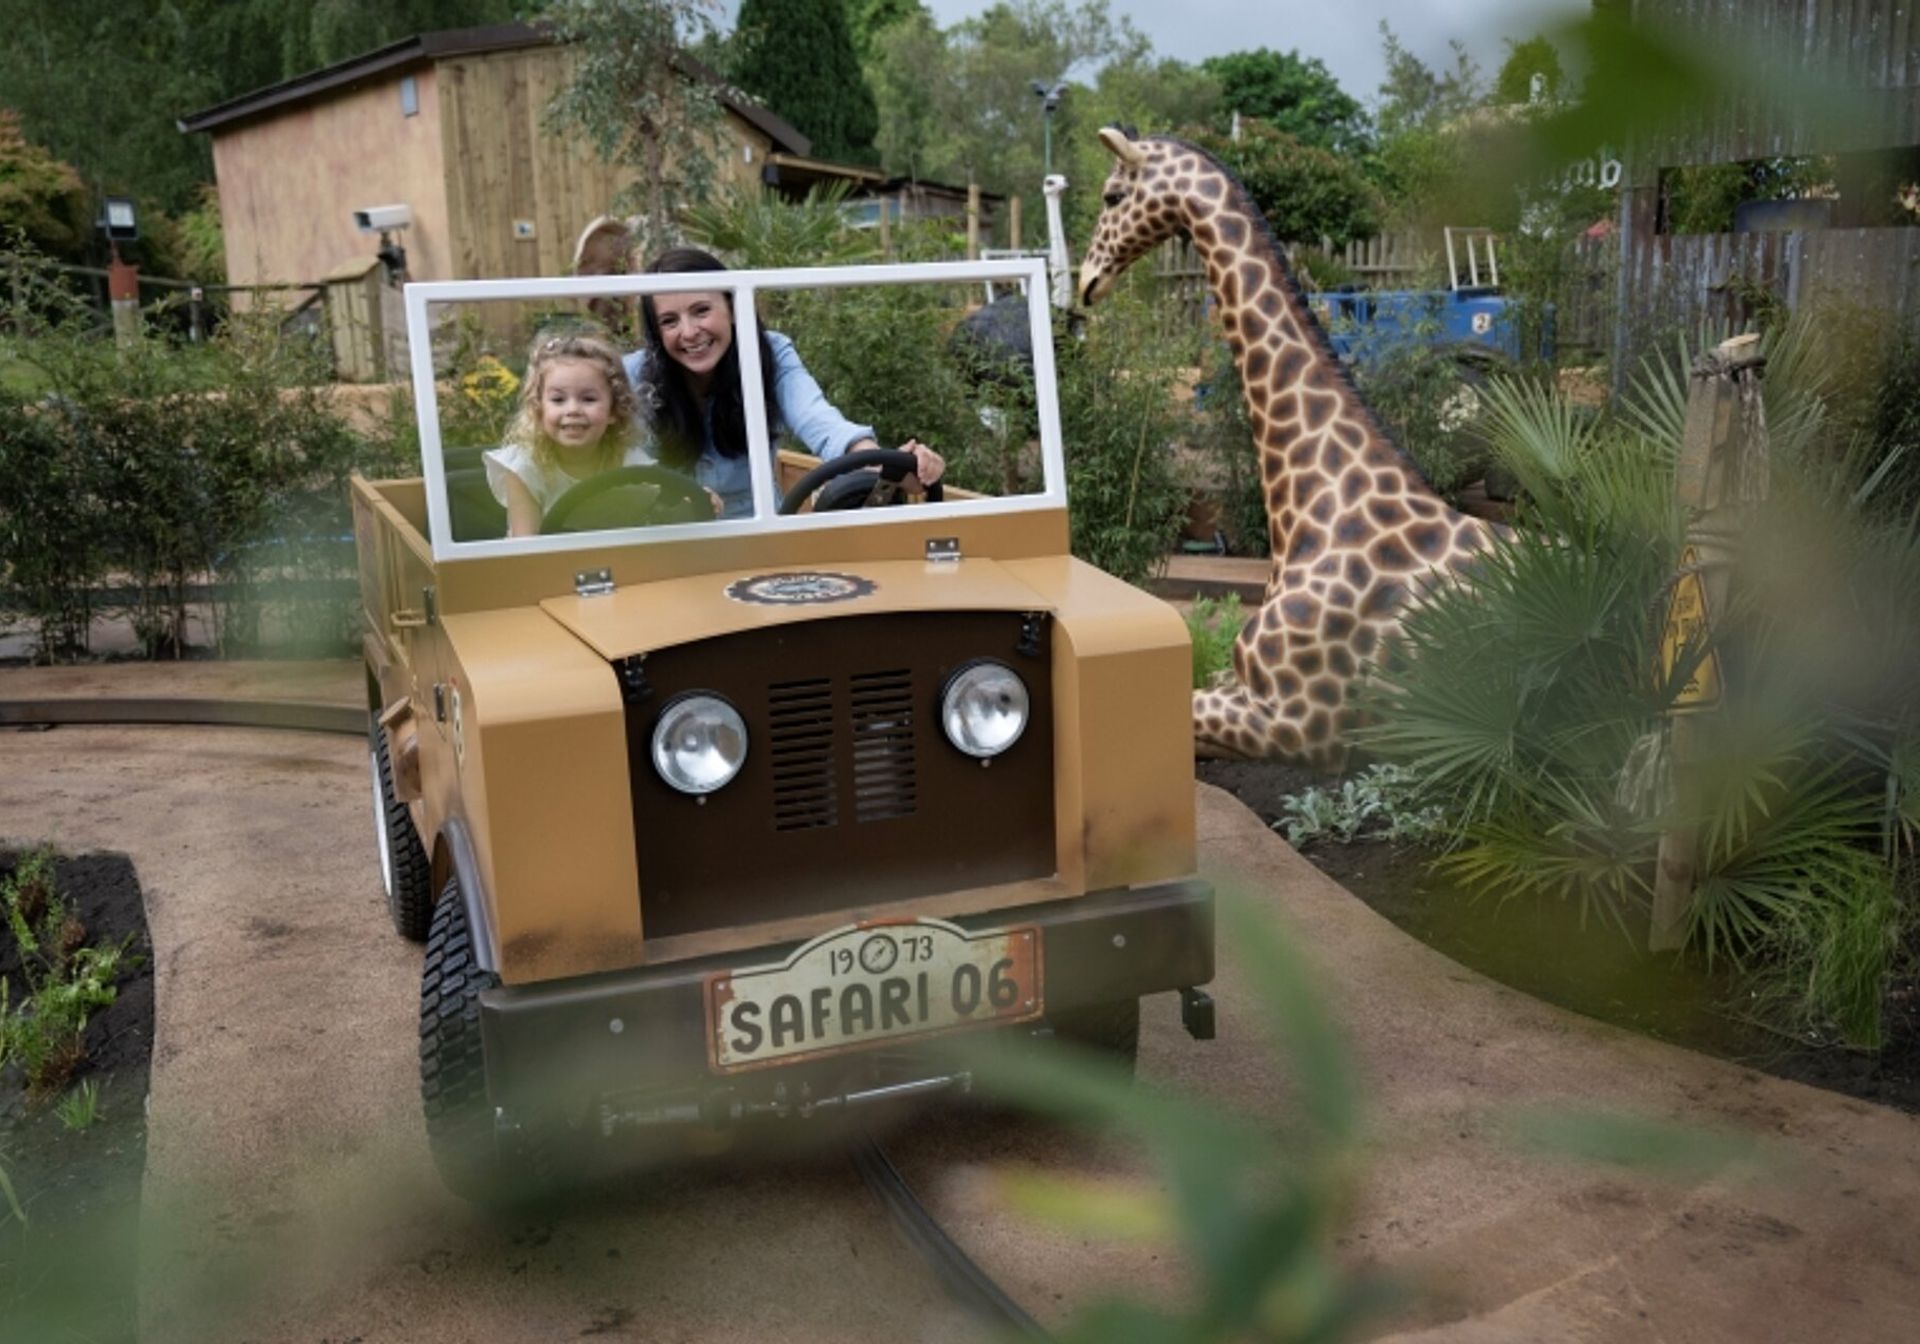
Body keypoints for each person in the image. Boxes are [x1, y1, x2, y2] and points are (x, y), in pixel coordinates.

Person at [628, 247, 945, 519]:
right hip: (670, 538)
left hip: (760, 537)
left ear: (732, 308)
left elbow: (817, 418)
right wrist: (663, 491)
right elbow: (615, 455)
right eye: (669, 321)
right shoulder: (631, 375)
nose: (689, 332)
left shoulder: (770, 353)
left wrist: (882, 464)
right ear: (656, 332)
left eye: (701, 311)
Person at [485, 329, 656, 538]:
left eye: (588, 399)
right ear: (538, 409)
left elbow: (651, 526)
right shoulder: (524, 468)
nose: (573, 410)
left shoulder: (629, 461)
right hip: (544, 566)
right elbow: (525, 548)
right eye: (558, 400)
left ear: (614, 410)